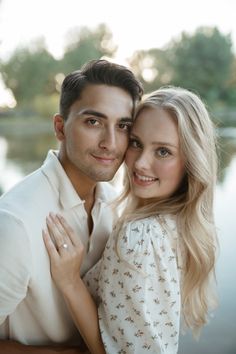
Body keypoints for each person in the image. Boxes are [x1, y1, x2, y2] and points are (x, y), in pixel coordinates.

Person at [43, 86, 218, 354]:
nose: (140, 164)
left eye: (163, 152)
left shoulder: (140, 236)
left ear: (192, 162)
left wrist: (70, 282)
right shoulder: (180, 224)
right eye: (136, 143)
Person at [0, 59, 143, 353]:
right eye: (94, 122)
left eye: (123, 126)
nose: (111, 143)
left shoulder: (113, 203)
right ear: (60, 127)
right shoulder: (15, 223)